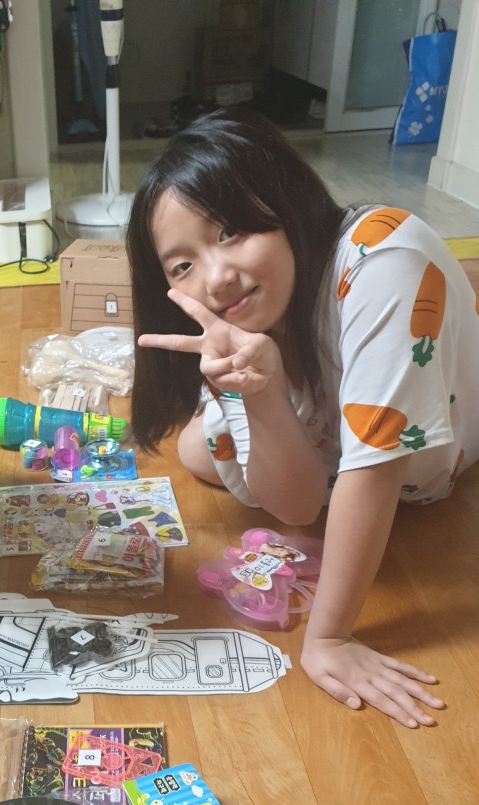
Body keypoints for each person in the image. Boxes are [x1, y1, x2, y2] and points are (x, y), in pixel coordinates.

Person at [126, 108, 479, 728]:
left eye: (231, 229)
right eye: (182, 266)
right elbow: (296, 508)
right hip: (328, 430)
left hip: (425, 463)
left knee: (227, 453)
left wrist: (330, 637)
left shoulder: (385, 260)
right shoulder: (239, 320)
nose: (217, 278)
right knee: (195, 452)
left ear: (284, 198)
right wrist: (259, 395)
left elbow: (376, 472)